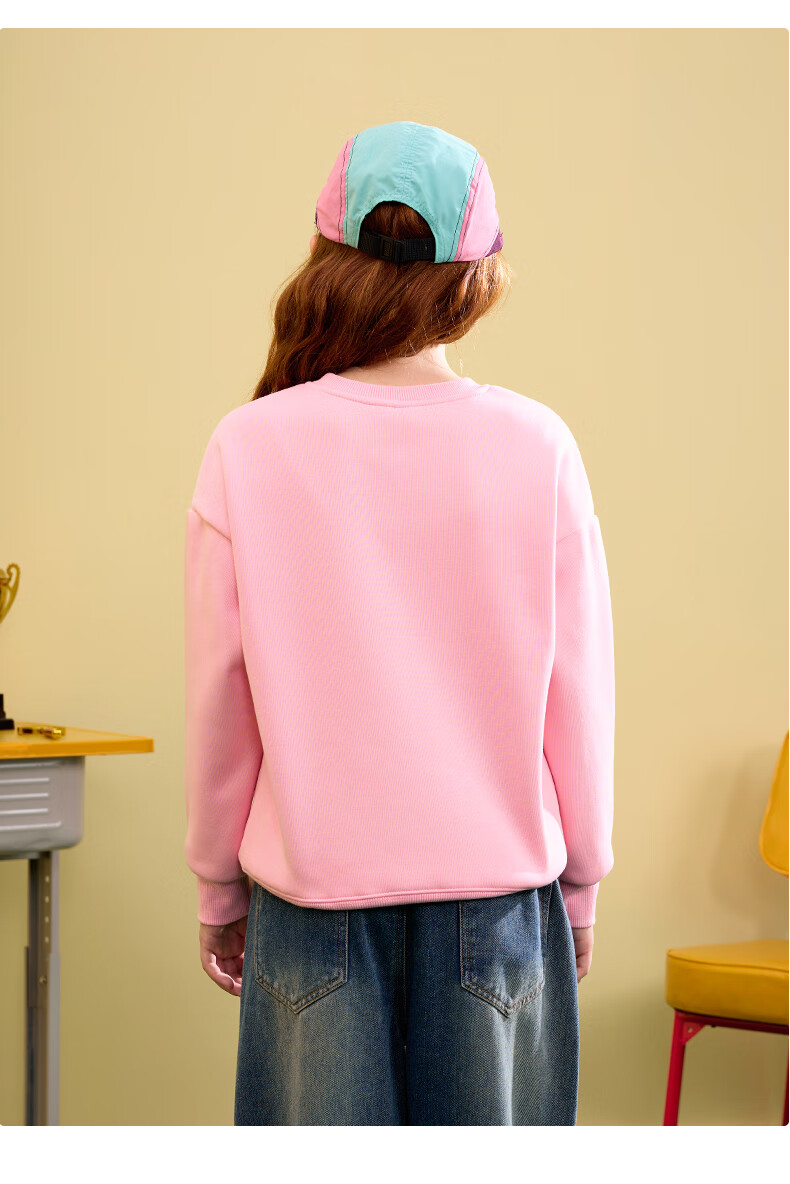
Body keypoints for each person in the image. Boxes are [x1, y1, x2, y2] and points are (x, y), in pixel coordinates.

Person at [184, 120, 615, 1125]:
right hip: (498, 902)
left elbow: (220, 693)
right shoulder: (538, 445)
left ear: (329, 254)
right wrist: (583, 881)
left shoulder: (248, 446)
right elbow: (578, 692)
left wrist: (217, 884)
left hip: (312, 904)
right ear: (476, 273)